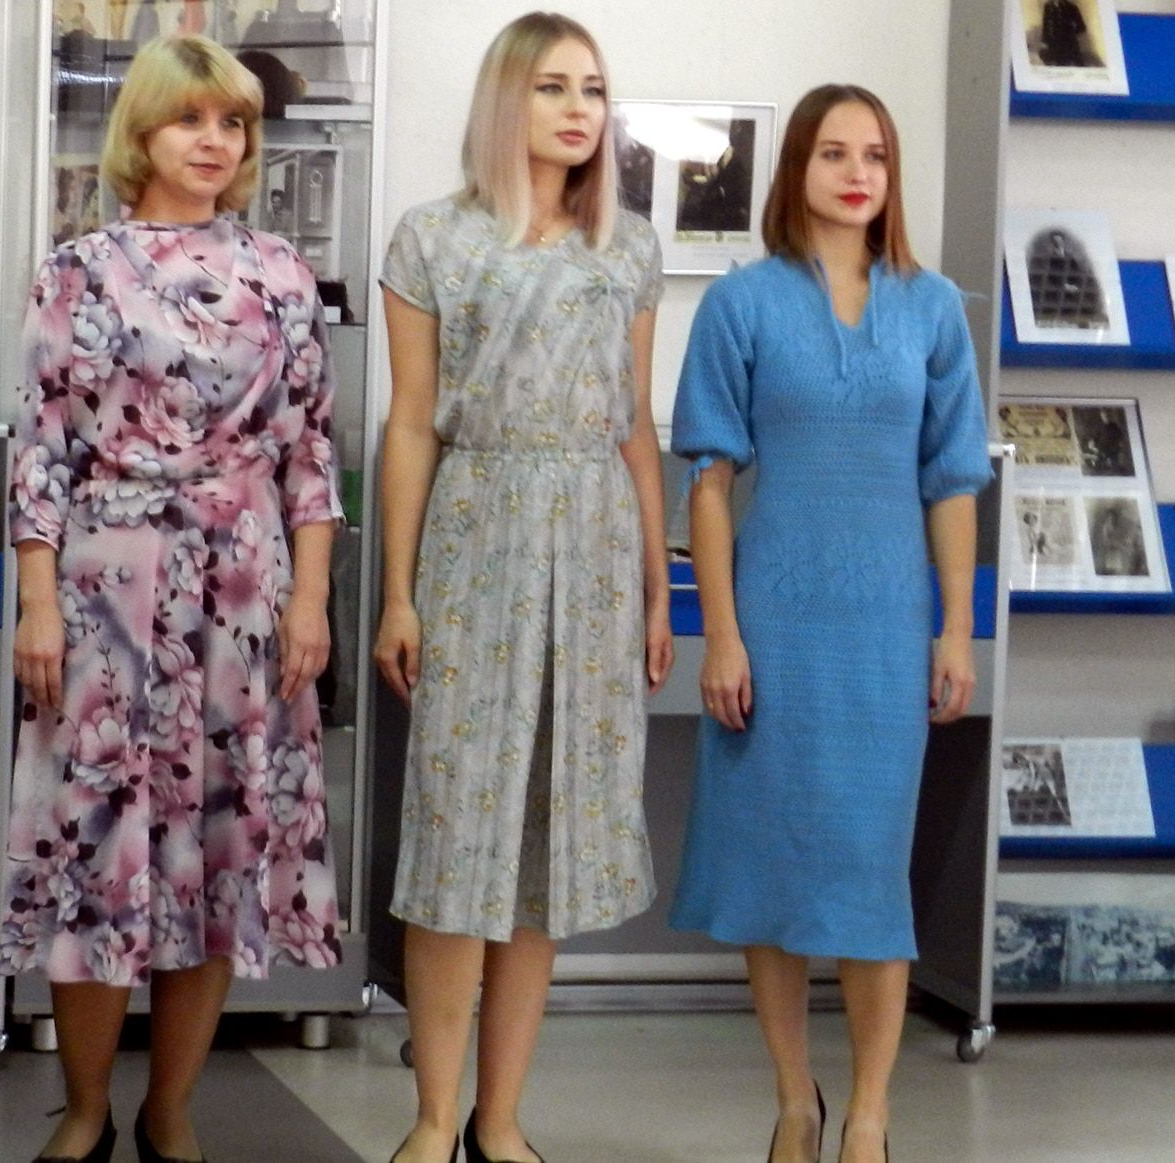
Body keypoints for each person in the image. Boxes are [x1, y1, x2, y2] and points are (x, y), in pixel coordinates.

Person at [3, 33, 345, 1163]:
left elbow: (311, 452)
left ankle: (173, 1108)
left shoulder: (284, 274)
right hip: (108, 579)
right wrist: (37, 601)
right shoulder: (78, 268)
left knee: (220, 845)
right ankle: (86, 1106)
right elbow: (42, 447)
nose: (215, 141)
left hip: (244, 583)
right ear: (141, 131)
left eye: (234, 123)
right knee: (97, 839)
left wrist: (311, 600)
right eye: (192, 118)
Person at [668, 84, 991, 1163]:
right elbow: (709, 483)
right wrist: (722, 635)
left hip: (887, 627)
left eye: (877, 157)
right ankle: (795, 1097)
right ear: (796, 167)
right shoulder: (742, 303)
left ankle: (871, 1112)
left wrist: (955, 628)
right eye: (835, 153)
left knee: (867, 869)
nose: (858, 174)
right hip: (775, 622)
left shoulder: (933, 307)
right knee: (772, 864)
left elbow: (952, 480)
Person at [374, 13, 671, 1163]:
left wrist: (656, 586)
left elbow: (636, 428)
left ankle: (499, 1119)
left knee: (549, 846)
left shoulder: (627, 247)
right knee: (458, 837)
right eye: (553, 86)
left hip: (595, 549)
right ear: (508, 100)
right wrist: (398, 593)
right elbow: (410, 423)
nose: (578, 108)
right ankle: (431, 1117)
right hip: (478, 530)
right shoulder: (433, 239)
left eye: (592, 88)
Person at [1037, 0, 1092, 68]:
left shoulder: (1071, 7)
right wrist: (1044, 41)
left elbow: (1081, 27)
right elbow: (1045, 25)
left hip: (1069, 45)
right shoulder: (1048, 7)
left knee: (1077, 65)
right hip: (1053, 44)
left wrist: (1070, 34)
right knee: (1054, 64)